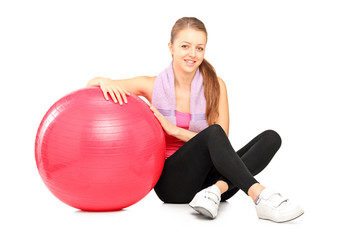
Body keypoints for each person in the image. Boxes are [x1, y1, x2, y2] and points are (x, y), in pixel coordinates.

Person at [86, 17, 304, 222]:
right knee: (213, 132)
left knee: (271, 138)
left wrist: (175, 130)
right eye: (185, 46)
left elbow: (222, 143)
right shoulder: (150, 85)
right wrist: (104, 80)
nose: (193, 54)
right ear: (171, 48)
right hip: (172, 184)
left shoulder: (217, 85)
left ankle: (215, 191)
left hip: (208, 182)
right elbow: (91, 86)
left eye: (199, 48)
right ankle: (259, 196)